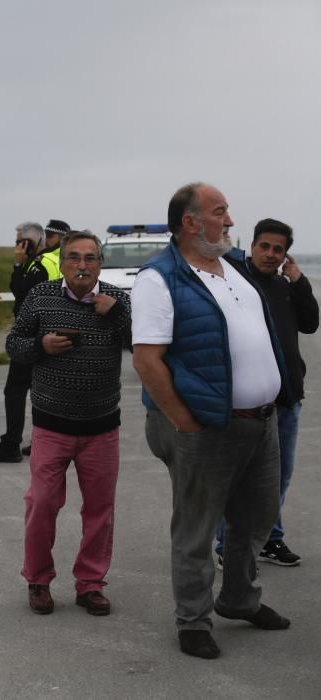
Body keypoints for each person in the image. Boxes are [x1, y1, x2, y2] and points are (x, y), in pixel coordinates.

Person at [132, 183, 291, 660]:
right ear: (190, 222)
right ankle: (193, 621)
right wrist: (186, 424)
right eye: (220, 212)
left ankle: (239, 600)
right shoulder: (160, 279)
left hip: (260, 423)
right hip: (205, 426)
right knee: (197, 530)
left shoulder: (233, 268)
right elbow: (147, 361)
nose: (230, 220)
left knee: (255, 520)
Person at [6, 230, 131, 616]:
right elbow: (13, 344)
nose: (82, 265)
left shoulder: (118, 299)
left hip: (102, 427)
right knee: (42, 504)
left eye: (90, 258)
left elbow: (141, 344)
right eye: (74, 257)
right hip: (51, 426)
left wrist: (117, 315)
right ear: (61, 263)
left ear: (100, 264)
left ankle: (90, 585)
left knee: (99, 511)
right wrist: (40, 346)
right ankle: (38, 580)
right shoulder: (41, 297)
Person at [215, 219, 319, 567]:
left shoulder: (284, 286)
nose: (271, 254)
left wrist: (299, 280)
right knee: (234, 478)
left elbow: (310, 323)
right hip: (244, 403)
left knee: (279, 477)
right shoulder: (235, 281)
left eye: (279, 249)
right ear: (252, 246)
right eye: (265, 246)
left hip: (286, 398)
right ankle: (224, 542)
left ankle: (270, 539)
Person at [0, 220, 68, 463]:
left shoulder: (39, 265)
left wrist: (18, 265)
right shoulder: (54, 261)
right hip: (51, 331)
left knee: (16, 390)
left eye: (20, 241)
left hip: (33, 336)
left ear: (30, 242)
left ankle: (11, 444)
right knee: (44, 390)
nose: (17, 246)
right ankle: (44, 440)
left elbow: (21, 293)